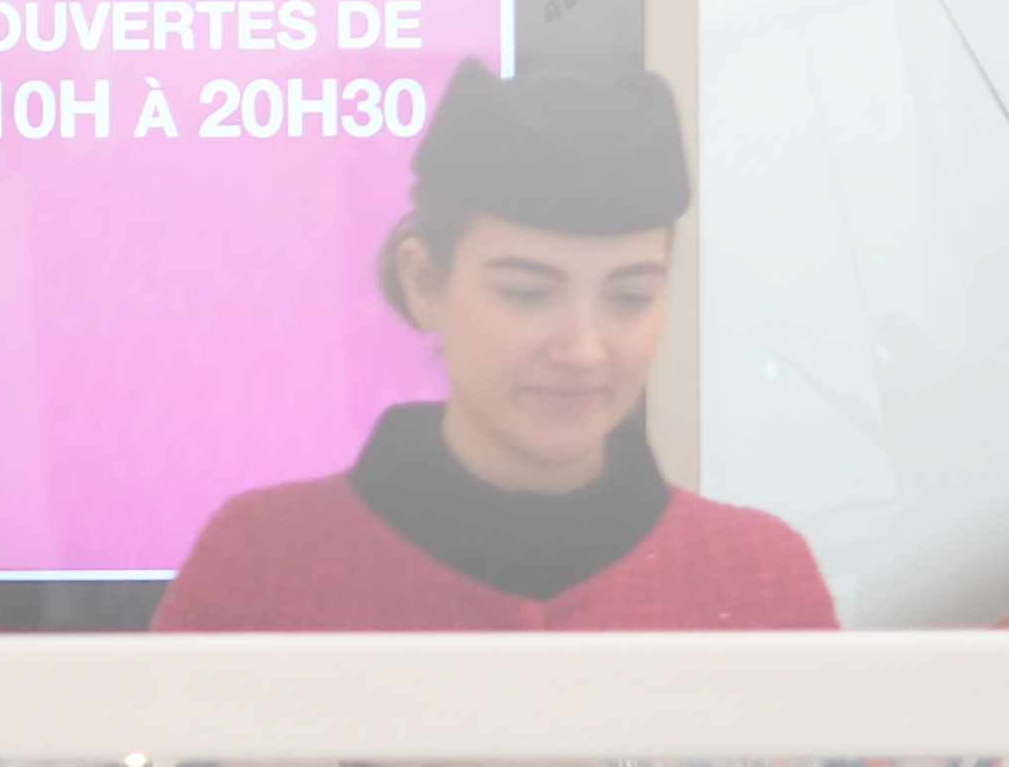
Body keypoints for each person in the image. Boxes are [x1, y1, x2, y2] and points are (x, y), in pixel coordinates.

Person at [153, 61, 833, 631]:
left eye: (628, 297)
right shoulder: (265, 568)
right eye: (527, 294)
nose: (584, 348)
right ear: (425, 282)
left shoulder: (759, 582)